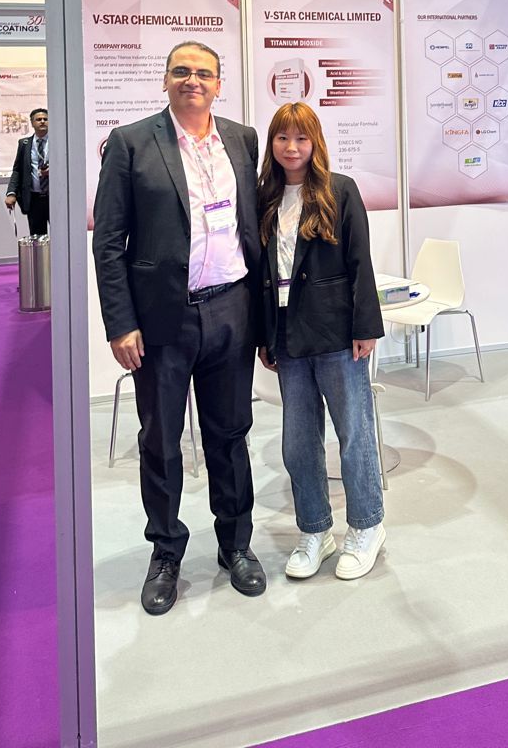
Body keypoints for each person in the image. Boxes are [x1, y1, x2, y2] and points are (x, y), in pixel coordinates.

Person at [93, 42, 264, 616]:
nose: (193, 80)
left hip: (232, 309)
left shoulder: (241, 139)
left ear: (219, 83)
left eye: (204, 73)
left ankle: (235, 544)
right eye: (182, 71)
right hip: (163, 318)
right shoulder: (131, 142)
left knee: (230, 434)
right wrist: (121, 322)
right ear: (165, 80)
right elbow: (108, 241)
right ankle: (166, 551)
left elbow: (251, 227)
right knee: (162, 441)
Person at [257, 102, 386, 582]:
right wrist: (264, 335)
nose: (291, 148)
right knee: (298, 443)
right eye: (282, 138)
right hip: (286, 333)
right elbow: (260, 274)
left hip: (336, 332)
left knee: (354, 434)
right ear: (272, 144)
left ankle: (367, 526)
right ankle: (314, 530)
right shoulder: (264, 197)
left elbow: (360, 261)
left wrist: (365, 326)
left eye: (301, 138)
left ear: (315, 143)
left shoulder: (340, 190)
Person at [5, 108, 50, 234]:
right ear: (32, 123)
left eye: (45, 119)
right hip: (34, 199)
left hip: (55, 198)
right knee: (37, 237)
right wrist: (11, 193)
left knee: (61, 235)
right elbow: (17, 171)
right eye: (38, 119)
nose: (42, 121)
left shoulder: (59, 142)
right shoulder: (24, 144)